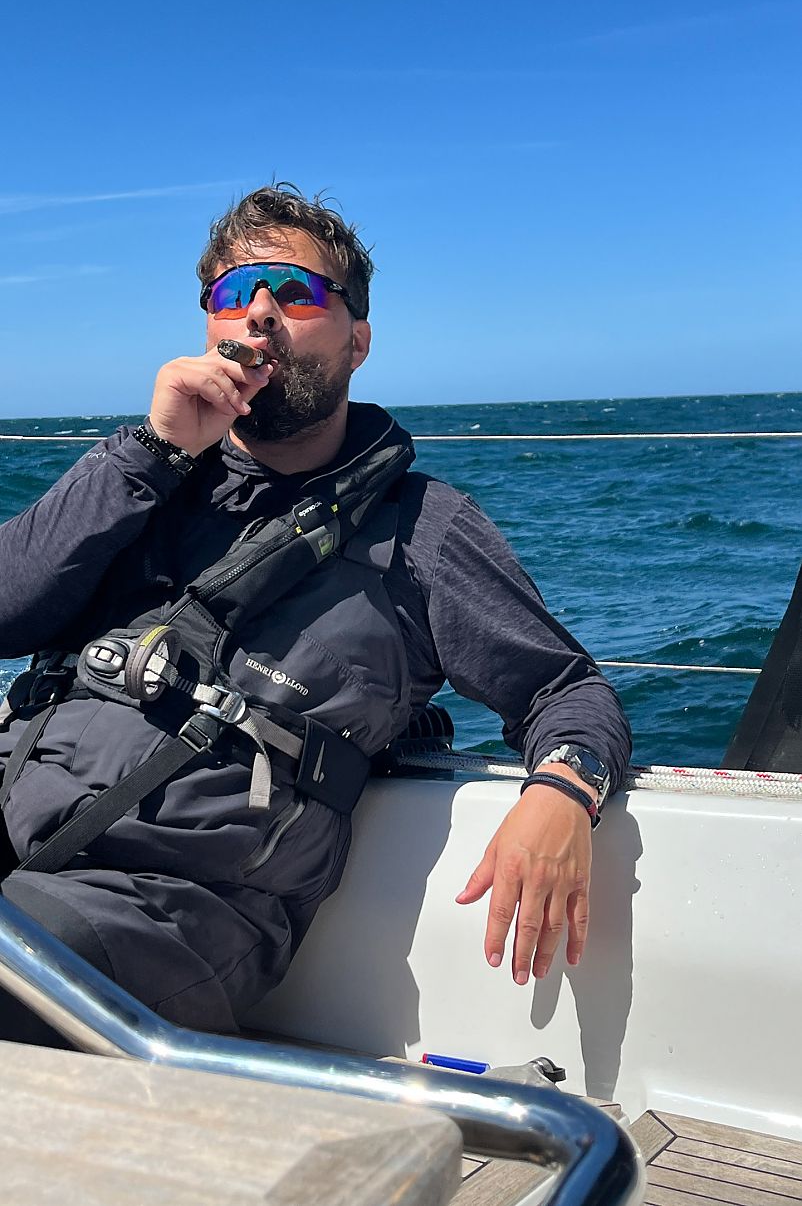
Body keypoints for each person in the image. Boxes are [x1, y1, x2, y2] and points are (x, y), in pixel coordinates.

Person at [0, 184, 631, 1044]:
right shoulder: (144, 481)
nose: (260, 314)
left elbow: (567, 691)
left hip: (163, 908)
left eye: (296, 293)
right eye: (234, 292)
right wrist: (149, 450)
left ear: (357, 341)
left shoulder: (424, 529)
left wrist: (562, 791)